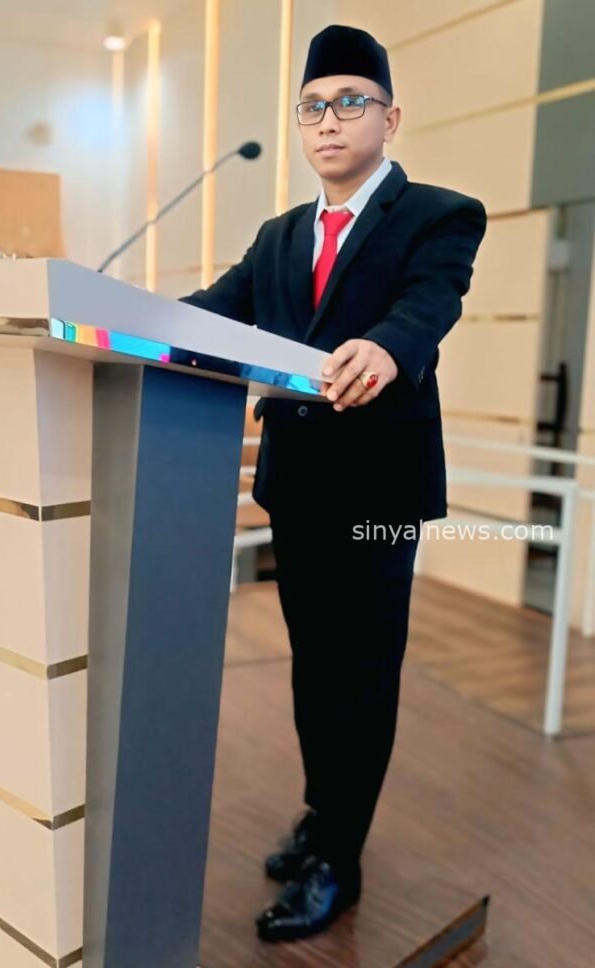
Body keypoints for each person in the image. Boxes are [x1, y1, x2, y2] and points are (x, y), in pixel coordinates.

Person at [179, 23, 488, 943]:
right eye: (312, 106)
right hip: (298, 488)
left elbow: (430, 301)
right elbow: (212, 314)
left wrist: (388, 347)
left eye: (350, 102)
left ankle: (340, 861)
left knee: (361, 674)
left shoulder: (439, 214)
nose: (328, 121)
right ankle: (325, 814)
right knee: (315, 666)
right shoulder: (279, 237)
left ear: (390, 118)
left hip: (379, 494)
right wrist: (101, 309)